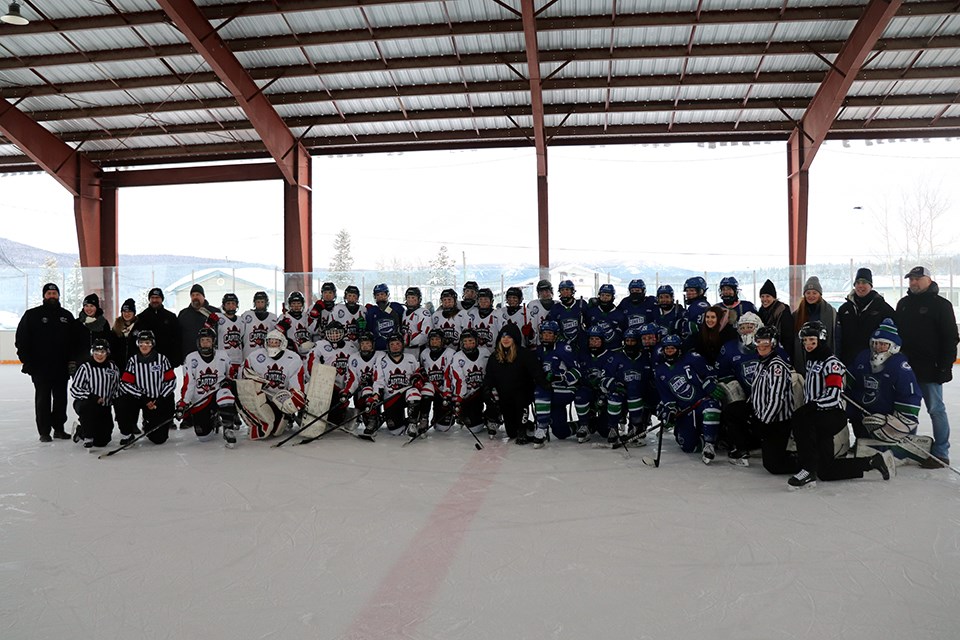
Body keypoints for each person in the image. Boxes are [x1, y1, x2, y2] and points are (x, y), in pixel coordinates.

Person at [787, 321, 893, 489]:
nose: (808, 345)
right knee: (826, 470)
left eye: (812, 341)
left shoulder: (831, 363)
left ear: (821, 341)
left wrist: (813, 406)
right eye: (805, 341)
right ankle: (873, 461)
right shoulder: (811, 361)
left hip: (832, 414)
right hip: (819, 413)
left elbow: (834, 393)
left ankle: (807, 470)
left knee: (801, 421)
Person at [896, 265, 959, 466]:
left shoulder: (941, 305)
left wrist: (945, 366)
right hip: (906, 370)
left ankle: (941, 453)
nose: (913, 282)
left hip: (930, 368)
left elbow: (950, 338)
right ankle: (907, 446)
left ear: (929, 280)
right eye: (911, 279)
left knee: (936, 409)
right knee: (907, 410)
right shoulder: (903, 304)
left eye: (917, 279)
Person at [728, 326, 801, 475]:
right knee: (732, 411)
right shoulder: (761, 363)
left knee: (773, 466)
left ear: (773, 344)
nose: (761, 346)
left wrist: (763, 423)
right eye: (759, 342)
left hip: (776, 422)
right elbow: (756, 392)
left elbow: (777, 399)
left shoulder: (777, 367)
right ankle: (743, 449)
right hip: (760, 414)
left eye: (765, 343)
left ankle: (804, 461)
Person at [846, 318, 922, 457]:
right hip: (865, 411)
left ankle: (898, 445)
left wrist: (899, 422)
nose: (877, 347)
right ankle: (861, 439)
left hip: (889, 417)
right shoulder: (863, 358)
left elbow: (910, 396)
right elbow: (848, 380)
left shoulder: (900, 367)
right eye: (875, 343)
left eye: (883, 344)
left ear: (894, 347)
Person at [15, 282, 77, 442]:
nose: (52, 296)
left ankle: (59, 429)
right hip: (40, 367)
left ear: (58, 295)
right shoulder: (32, 315)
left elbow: (74, 340)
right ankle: (44, 432)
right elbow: (21, 340)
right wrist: (27, 361)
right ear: (44, 296)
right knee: (43, 399)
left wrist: (72, 362)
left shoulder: (66, 316)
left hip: (61, 367)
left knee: (60, 399)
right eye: (49, 293)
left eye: (54, 293)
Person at [652, 334, 722, 464]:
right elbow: (666, 396)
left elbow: (710, 373)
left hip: (702, 401)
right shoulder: (660, 371)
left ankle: (710, 443)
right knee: (688, 447)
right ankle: (699, 437)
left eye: (672, 349)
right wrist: (671, 411)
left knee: (711, 408)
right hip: (685, 408)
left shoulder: (692, 358)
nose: (669, 351)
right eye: (667, 349)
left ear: (679, 349)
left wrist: (709, 384)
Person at [237, 329, 306, 440]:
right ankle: (254, 420)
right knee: (264, 430)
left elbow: (296, 385)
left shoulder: (293, 359)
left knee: (276, 432)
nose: (272, 345)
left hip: (280, 399)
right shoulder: (255, 356)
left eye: (276, 342)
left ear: (283, 343)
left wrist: (293, 398)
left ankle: (287, 416)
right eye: (270, 342)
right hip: (262, 396)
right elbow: (243, 377)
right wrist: (256, 383)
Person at [178, 327, 238, 447]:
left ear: (213, 342)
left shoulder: (222, 355)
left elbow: (230, 375)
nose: (205, 343)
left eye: (208, 340)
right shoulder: (191, 358)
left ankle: (228, 428)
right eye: (203, 340)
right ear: (198, 342)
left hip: (217, 394)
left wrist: (228, 382)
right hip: (200, 399)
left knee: (225, 393)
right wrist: (184, 403)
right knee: (204, 437)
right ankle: (213, 418)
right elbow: (188, 383)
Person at [484, 324, 545, 441]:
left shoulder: (525, 354)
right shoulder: (494, 357)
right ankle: (526, 424)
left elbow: (536, 372)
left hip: (522, 395)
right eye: (503, 337)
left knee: (519, 430)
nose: (505, 339)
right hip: (504, 396)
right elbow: (489, 376)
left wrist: (544, 383)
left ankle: (523, 428)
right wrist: (487, 388)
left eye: (509, 337)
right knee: (511, 433)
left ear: (515, 339)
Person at [116, 330, 177, 446]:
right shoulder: (133, 360)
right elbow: (125, 383)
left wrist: (160, 398)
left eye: (148, 343)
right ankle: (127, 433)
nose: (144, 346)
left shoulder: (162, 359)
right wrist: (143, 397)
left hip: (157, 400)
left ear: (153, 344)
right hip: (140, 399)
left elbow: (171, 381)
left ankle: (148, 423)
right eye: (141, 343)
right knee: (121, 400)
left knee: (159, 439)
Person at [574, 325, 629, 446]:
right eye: (592, 340)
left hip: (605, 394)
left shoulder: (612, 356)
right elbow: (579, 374)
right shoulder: (583, 355)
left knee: (604, 431)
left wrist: (606, 385)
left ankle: (613, 428)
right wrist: (587, 380)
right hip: (589, 392)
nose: (594, 342)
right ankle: (585, 425)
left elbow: (616, 379)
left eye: (597, 340)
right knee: (580, 394)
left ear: (603, 341)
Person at [372, 333, 430, 438]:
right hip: (391, 397)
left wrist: (418, 379)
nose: (395, 346)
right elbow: (378, 380)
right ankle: (402, 421)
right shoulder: (382, 360)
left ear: (402, 345)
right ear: (388, 346)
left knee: (414, 393)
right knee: (396, 431)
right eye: (392, 344)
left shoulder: (411, 358)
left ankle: (413, 423)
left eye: (397, 344)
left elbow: (419, 374)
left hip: (406, 394)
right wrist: (376, 394)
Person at [533, 320, 581, 447]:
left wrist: (559, 377)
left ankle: (542, 428)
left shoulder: (563, 348)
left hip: (565, 390)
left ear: (556, 335)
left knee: (540, 390)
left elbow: (577, 371)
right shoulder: (537, 350)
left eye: (550, 333)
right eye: (544, 333)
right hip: (549, 393)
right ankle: (585, 425)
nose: (546, 336)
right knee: (560, 432)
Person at [836, 267, 895, 366]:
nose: (860, 286)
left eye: (864, 282)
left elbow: (892, 335)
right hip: (847, 360)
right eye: (857, 283)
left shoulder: (882, 308)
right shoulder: (844, 309)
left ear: (870, 286)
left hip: (873, 362)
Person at [69, 338, 121, 448]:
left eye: (102, 352)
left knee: (102, 441)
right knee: (89, 408)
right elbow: (74, 389)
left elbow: (116, 388)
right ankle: (87, 436)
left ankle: (80, 430)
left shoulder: (113, 368)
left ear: (107, 353)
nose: (99, 355)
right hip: (86, 404)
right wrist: (92, 397)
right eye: (96, 352)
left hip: (104, 407)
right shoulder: (85, 368)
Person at [305, 321, 358, 427]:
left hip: (342, 389)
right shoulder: (320, 346)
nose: (334, 336)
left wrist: (347, 391)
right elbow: (311, 366)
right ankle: (306, 414)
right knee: (308, 393)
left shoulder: (351, 348)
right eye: (331, 333)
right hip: (324, 386)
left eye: (337, 333)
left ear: (343, 333)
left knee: (335, 421)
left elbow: (354, 373)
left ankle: (346, 412)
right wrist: (321, 381)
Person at [444, 329, 494, 435]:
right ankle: (470, 415)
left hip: (483, 389)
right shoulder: (458, 356)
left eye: (471, 341)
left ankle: (492, 417)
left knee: (493, 394)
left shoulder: (485, 353)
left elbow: (492, 373)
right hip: (468, 394)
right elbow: (458, 379)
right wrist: (459, 398)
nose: (468, 344)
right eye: (465, 341)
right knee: (475, 427)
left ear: (476, 341)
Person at [793, 276, 836, 374]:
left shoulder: (830, 313)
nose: (811, 296)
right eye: (808, 293)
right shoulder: (797, 315)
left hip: (823, 357)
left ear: (820, 294)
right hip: (803, 357)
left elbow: (836, 337)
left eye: (814, 293)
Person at [344, 332, 383, 436]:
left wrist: (374, 390)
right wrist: (348, 392)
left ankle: (374, 420)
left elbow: (380, 378)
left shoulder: (380, 356)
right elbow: (352, 379)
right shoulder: (353, 358)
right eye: (363, 343)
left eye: (368, 343)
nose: (365, 346)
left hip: (378, 390)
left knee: (396, 429)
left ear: (373, 344)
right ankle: (369, 418)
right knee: (364, 407)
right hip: (361, 391)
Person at [419, 329, 456, 430]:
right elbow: (421, 370)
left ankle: (438, 416)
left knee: (442, 428)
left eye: (437, 340)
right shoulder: (424, 353)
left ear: (443, 341)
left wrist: (448, 391)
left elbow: (452, 374)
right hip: (430, 390)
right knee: (426, 389)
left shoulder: (450, 353)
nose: (434, 342)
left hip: (444, 391)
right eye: (432, 340)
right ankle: (424, 418)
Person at [177, 284, 220, 366]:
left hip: (211, 357)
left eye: (198, 295)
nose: (195, 297)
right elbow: (178, 336)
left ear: (203, 296)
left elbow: (221, 332)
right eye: (192, 295)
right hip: (189, 357)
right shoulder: (183, 314)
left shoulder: (214, 312)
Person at [136, 287, 181, 367]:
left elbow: (177, 339)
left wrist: (176, 359)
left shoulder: (171, 317)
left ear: (162, 299)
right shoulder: (141, 318)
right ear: (149, 299)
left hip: (167, 360)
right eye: (152, 298)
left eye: (157, 298)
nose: (155, 300)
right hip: (146, 361)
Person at [756, 279, 794, 362]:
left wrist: (787, 354)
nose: (764, 299)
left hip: (781, 350)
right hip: (765, 350)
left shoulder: (782, 310)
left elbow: (788, 335)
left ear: (774, 297)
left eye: (768, 296)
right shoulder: (761, 311)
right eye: (762, 296)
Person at [546, 279, 587, 352]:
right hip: (563, 344)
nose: (565, 292)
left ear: (572, 291)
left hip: (581, 343)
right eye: (562, 290)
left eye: (567, 289)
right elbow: (552, 328)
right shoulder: (555, 308)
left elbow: (590, 321)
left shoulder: (581, 304)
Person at [584, 284, 625, 350]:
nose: (605, 297)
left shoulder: (620, 314)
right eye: (602, 295)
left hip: (614, 350)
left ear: (613, 297)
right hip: (596, 350)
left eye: (608, 295)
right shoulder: (591, 312)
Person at [74, 293, 112, 364]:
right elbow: (72, 343)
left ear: (96, 307)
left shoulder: (103, 323)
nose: (89, 309)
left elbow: (108, 342)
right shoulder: (77, 323)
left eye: (92, 306)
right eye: (86, 306)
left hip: (100, 361)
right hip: (81, 362)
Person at [365, 283, 405, 351]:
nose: (380, 297)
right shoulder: (372, 311)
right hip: (378, 348)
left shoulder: (397, 307)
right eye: (377, 295)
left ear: (387, 294)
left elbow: (404, 324)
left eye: (382, 294)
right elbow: (369, 330)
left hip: (395, 348)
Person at [276, 291, 315, 357]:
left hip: (308, 350)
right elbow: (277, 335)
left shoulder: (306, 316)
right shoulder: (284, 317)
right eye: (293, 303)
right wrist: (282, 327)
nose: (296, 306)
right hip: (291, 351)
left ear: (302, 304)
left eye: (298, 303)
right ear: (290, 304)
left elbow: (314, 331)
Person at [240, 291, 278, 359]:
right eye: (258, 302)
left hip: (267, 355)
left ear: (266, 303)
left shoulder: (273, 317)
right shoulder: (247, 315)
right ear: (254, 303)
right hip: (248, 354)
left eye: (262, 302)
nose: (260, 304)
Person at [217, 293, 245, 378]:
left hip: (238, 359)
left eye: (233, 303)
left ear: (237, 305)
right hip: (223, 358)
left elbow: (242, 338)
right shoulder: (218, 318)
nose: (231, 306)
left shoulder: (241, 320)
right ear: (223, 305)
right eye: (228, 304)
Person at [111, 298, 140, 371]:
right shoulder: (116, 328)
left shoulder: (140, 327)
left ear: (134, 313)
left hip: (136, 366)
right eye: (124, 311)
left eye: (130, 311)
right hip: (118, 367)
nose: (127, 314)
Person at [401, 287, 432, 351]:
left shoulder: (423, 312)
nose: (410, 300)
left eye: (413, 298)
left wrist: (410, 343)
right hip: (405, 349)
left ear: (419, 299)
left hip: (417, 349)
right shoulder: (405, 312)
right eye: (408, 297)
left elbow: (425, 334)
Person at [526, 279, 555, 347]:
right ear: (538, 293)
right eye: (542, 291)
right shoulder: (532, 305)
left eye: (547, 291)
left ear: (551, 291)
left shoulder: (558, 305)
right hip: (537, 344)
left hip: (554, 343)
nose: (545, 294)